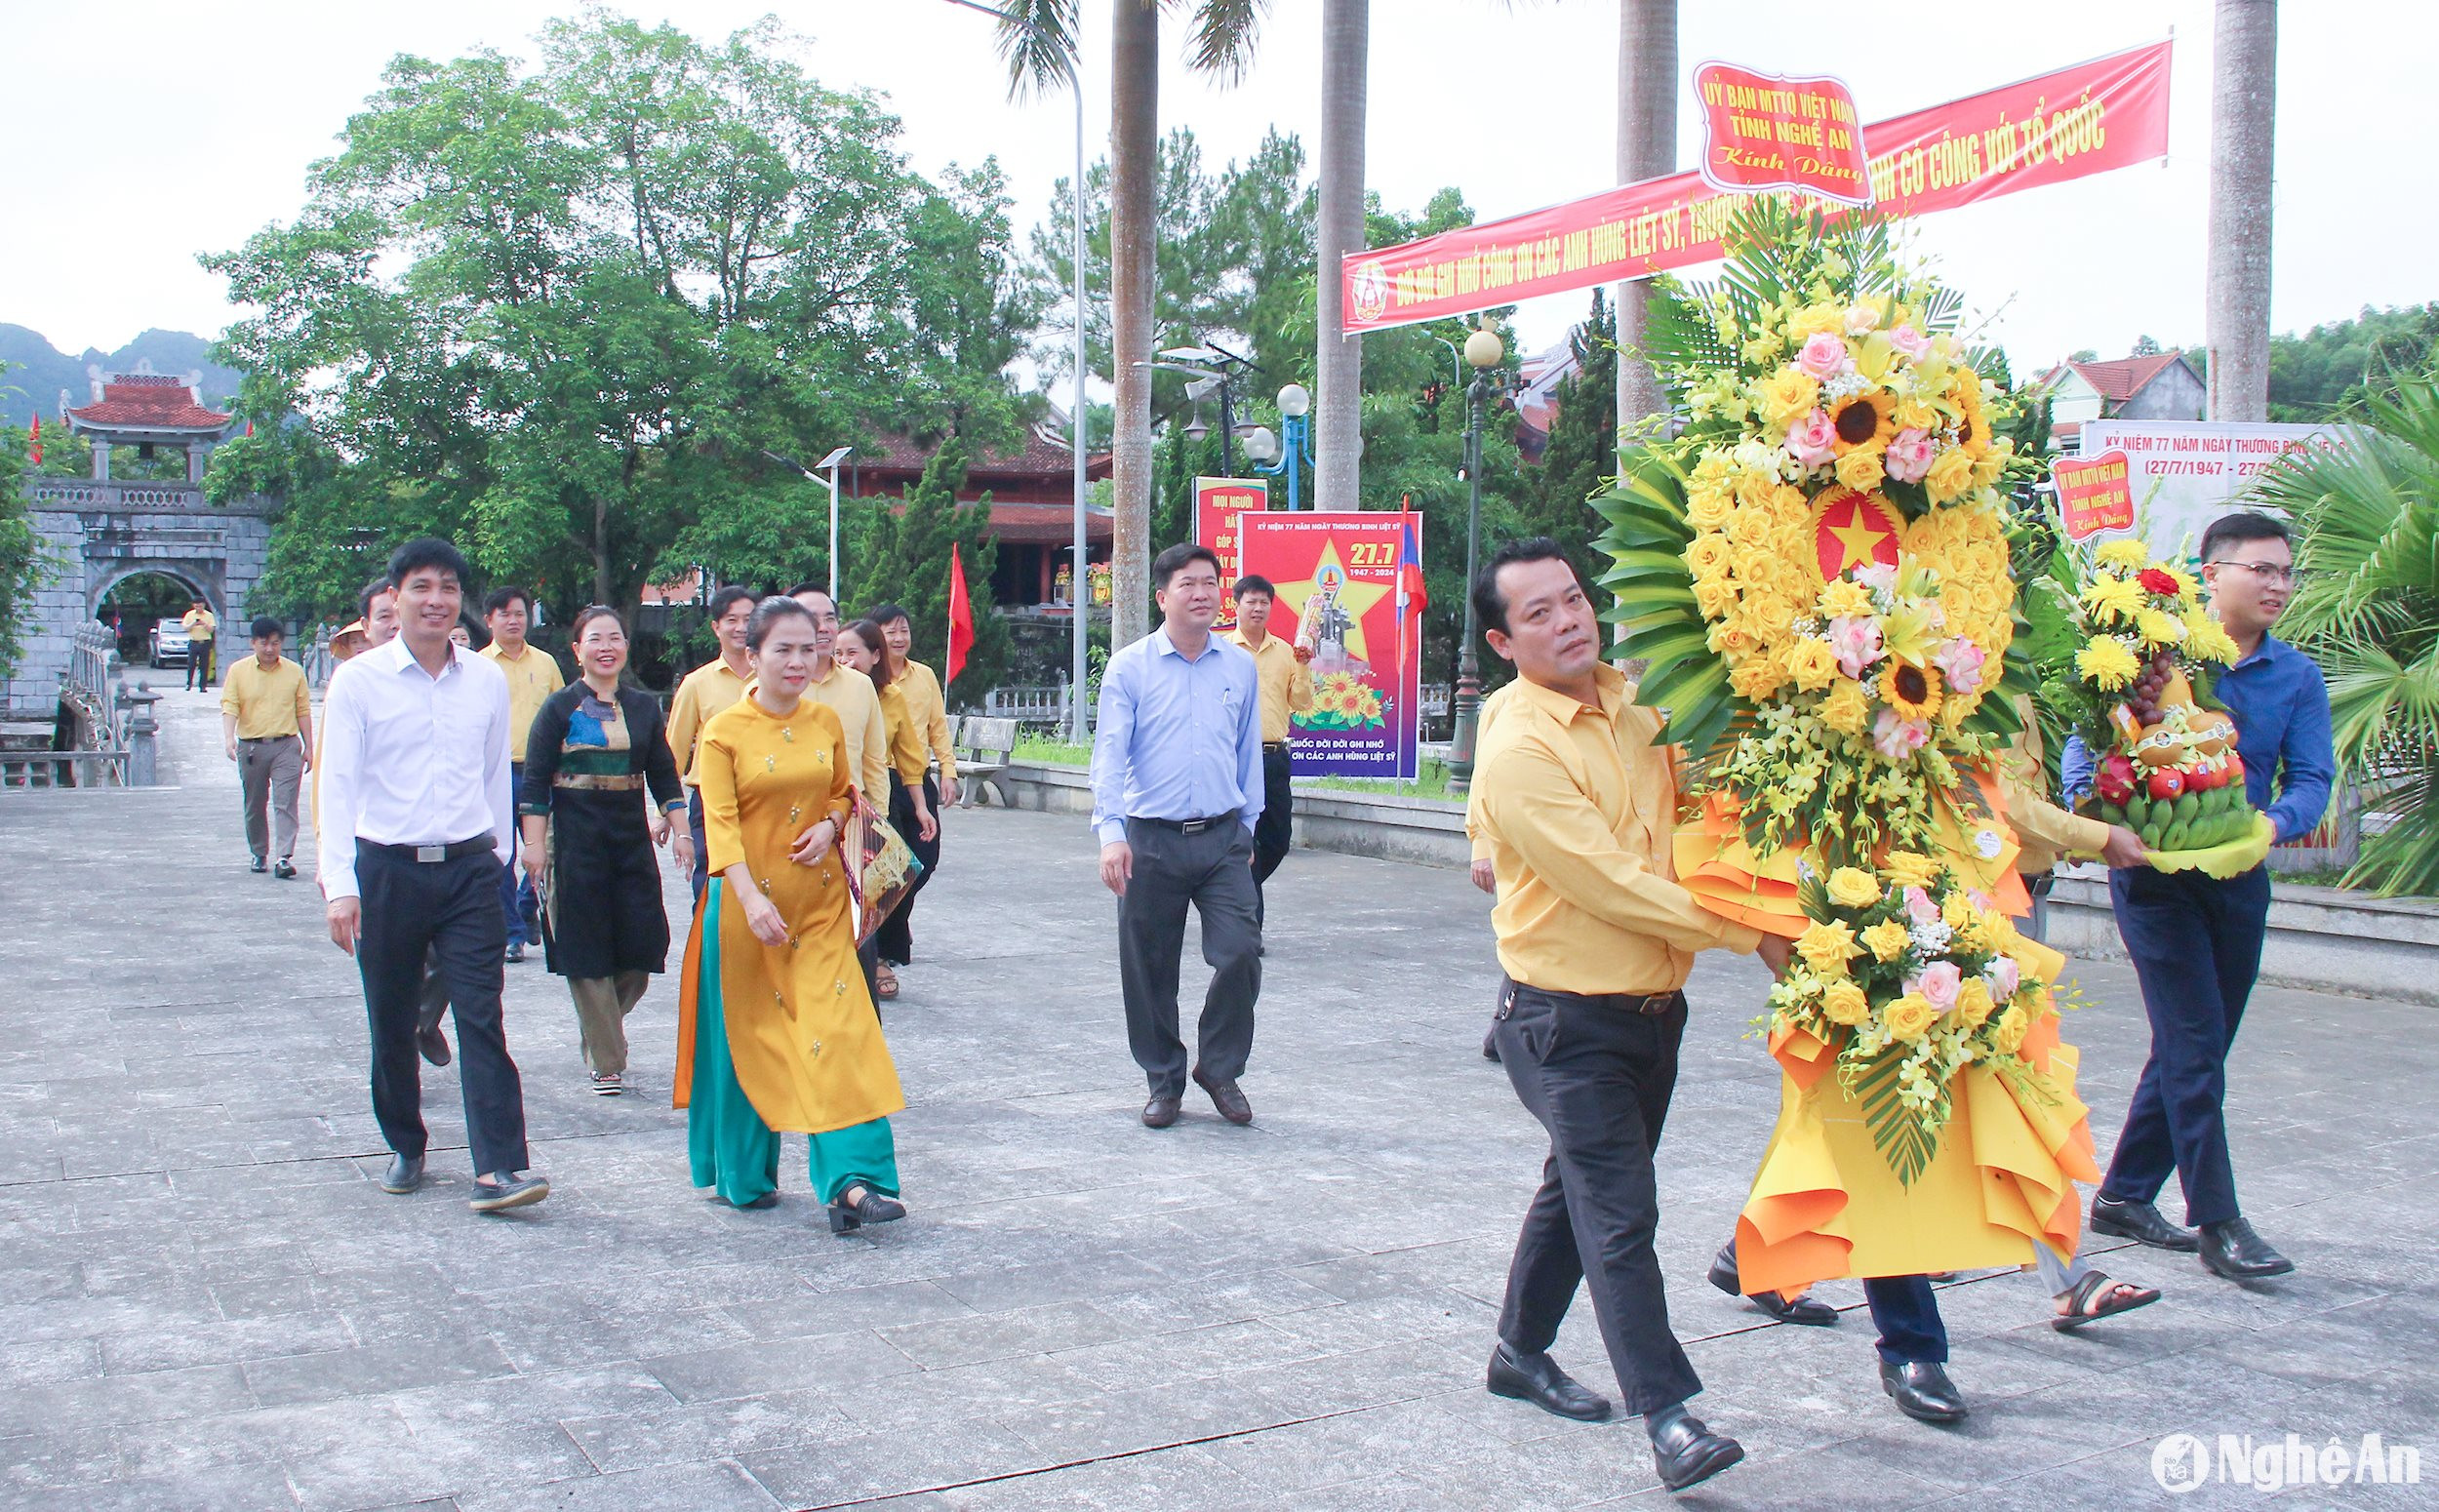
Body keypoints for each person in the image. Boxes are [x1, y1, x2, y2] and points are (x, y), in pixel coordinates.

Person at [1467, 538, 1791, 1492]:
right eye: (1539, 612)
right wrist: (1753, 931)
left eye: (1573, 599)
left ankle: (1517, 1351)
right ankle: (1670, 1415)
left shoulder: (1642, 705)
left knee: (1577, 1190)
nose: (1568, 619)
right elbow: (1610, 885)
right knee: (1619, 1209)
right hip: (1560, 1023)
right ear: (1501, 637)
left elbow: (1707, 809)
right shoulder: (1520, 743)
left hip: (1653, 1013)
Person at [2065, 511, 2333, 1281]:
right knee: (2192, 1039)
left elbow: (2312, 777)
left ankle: (2124, 1194)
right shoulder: (2157, 651)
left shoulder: (2297, 677)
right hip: (2153, 879)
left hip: (2240, 878)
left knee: (2203, 1041)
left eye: (2287, 572)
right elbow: (2091, 734)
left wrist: (2271, 825)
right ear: (2211, 574)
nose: (2278, 584)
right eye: (2263, 569)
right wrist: (2092, 806)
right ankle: (2218, 1218)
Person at [318, 537, 546, 1213]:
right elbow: (337, 786)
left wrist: (502, 859)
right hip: (386, 868)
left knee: (482, 1015)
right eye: (421, 587)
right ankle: (406, 1142)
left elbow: (490, 777)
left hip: (469, 871)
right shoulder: (358, 681)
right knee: (391, 1019)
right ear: (394, 597)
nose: (436, 600)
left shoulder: (484, 679)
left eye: (448, 588)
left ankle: (500, 1167)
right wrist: (340, 886)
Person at [676, 597, 907, 1228]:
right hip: (747, 909)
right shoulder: (723, 732)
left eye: (810, 648)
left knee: (841, 1036)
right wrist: (750, 901)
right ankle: (744, 1175)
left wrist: (834, 821)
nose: (801, 660)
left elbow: (843, 788)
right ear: (752, 656)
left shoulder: (824, 721)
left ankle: (855, 1182)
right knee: (750, 1043)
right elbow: (719, 828)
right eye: (784, 649)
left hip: (822, 907)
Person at [1090, 543, 1265, 1130]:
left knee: (1240, 951)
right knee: (1149, 966)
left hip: (1222, 840)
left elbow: (1248, 754)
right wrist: (1112, 834)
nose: (1202, 593)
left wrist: (1246, 827)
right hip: (1150, 840)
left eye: (1211, 583)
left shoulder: (1239, 666)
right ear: (1162, 597)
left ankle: (1220, 1068)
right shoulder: (1130, 667)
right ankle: (1163, 1080)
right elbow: (1109, 756)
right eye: (1188, 584)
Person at [519, 607, 691, 1095]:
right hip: (574, 835)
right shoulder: (558, 709)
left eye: (615, 637)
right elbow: (534, 784)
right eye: (595, 639)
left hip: (628, 834)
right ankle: (607, 1058)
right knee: (585, 943)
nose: (606, 647)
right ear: (578, 651)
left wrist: (681, 832)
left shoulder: (641, 709)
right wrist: (533, 846)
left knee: (644, 943)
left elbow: (663, 775)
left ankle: (599, 1026)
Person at [784, 586, 892, 1004]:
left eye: (830, 618)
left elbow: (874, 762)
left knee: (857, 942)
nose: (824, 627)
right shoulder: (765, 688)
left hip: (849, 828)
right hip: (787, 834)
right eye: (812, 618)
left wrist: (876, 828)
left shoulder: (860, 687)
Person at [835, 618, 936, 1000]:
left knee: (891, 880)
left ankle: (881, 951)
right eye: (838, 653)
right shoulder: (819, 692)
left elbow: (908, 757)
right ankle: (868, 960)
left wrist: (921, 807)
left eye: (853, 653)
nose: (844, 660)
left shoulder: (889, 697)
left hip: (879, 794)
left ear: (875, 656)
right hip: (833, 798)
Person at [1224, 576, 1315, 923]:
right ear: (1236, 605)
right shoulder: (1222, 651)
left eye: (1264, 602)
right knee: (1244, 839)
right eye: (1251, 601)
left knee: (1277, 840)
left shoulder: (1286, 653)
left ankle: (1231, 890)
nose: (1258, 608)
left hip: (1273, 758)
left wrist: (1305, 663)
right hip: (1233, 759)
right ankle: (1249, 924)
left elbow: (1303, 703)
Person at [482, 587, 565, 964]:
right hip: (497, 774)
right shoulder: (477, 666)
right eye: (505, 614)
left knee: (546, 850)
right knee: (500, 855)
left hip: (542, 772)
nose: (513, 621)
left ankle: (526, 903)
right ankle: (512, 933)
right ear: (489, 621)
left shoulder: (546, 664)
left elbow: (563, 714)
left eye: (519, 613)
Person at [869, 604, 954, 970]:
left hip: (917, 781)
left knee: (925, 861)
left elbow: (937, 726)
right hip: (882, 781)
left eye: (904, 630)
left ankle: (893, 922)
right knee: (893, 867)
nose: (899, 637)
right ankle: (885, 950)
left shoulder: (925, 676)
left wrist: (948, 769)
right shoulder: (866, 682)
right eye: (890, 631)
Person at [668, 585, 761, 898]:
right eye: (731, 619)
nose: (741, 627)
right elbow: (674, 751)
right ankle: (708, 947)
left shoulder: (774, 678)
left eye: (749, 618)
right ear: (715, 627)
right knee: (712, 884)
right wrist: (664, 813)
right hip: (709, 799)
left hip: (765, 795)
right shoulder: (697, 683)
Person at [221, 617, 313, 879]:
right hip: (252, 747)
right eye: (264, 643)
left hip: (286, 745)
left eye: (275, 643)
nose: (270, 649)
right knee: (254, 802)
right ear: (253, 643)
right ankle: (259, 851)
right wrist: (229, 739)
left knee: (286, 802)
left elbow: (303, 710)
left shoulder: (294, 672)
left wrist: (310, 747)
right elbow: (230, 706)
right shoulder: (239, 672)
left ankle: (284, 856)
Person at [180, 598, 218, 690]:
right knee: (191, 664)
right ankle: (189, 683)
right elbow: (185, 628)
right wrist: (194, 624)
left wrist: (203, 623)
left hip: (205, 642)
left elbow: (211, 630)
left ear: (204, 605)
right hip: (193, 642)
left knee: (204, 665)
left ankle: (203, 685)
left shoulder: (209, 615)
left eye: (200, 606)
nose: (198, 608)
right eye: (196, 606)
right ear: (193, 605)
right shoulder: (189, 614)